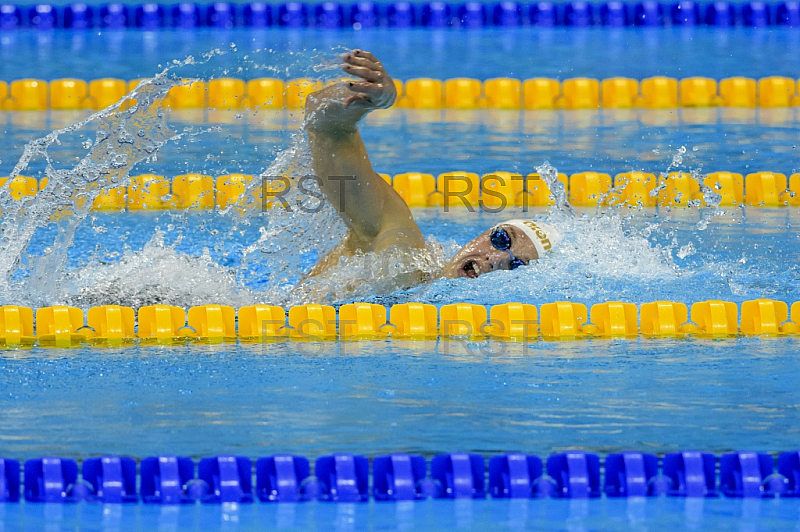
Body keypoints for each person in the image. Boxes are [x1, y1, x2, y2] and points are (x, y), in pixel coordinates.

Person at [303, 49, 559, 284]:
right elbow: (326, 128)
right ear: (483, 233)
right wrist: (361, 101)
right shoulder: (398, 253)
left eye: (516, 266)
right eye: (501, 240)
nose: (496, 259)